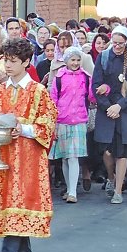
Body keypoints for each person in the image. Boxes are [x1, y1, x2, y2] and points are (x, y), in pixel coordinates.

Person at [0, 39, 58, 252]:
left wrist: (23, 129)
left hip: (28, 158)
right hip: (4, 156)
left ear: (26, 62)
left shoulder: (39, 92)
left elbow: (48, 124)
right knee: (12, 204)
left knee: (19, 202)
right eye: (5, 60)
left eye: (13, 61)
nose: (7, 65)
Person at [91, 26, 127, 204]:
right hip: (107, 110)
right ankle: (111, 178)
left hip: (126, 111)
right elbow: (96, 84)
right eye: (115, 43)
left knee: (123, 152)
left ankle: (118, 190)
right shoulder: (104, 58)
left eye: (121, 43)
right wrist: (108, 107)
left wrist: (120, 106)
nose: (118, 46)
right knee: (106, 151)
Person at [49, 47, 94, 204]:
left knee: (73, 157)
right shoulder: (59, 77)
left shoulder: (86, 77)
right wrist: (52, 118)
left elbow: (92, 96)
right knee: (65, 158)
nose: (75, 63)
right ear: (66, 61)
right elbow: (53, 98)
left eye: (77, 60)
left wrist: (104, 90)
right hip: (61, 120)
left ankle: (73, 191)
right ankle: (69, 189)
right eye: (72, 60)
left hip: (79, 120)